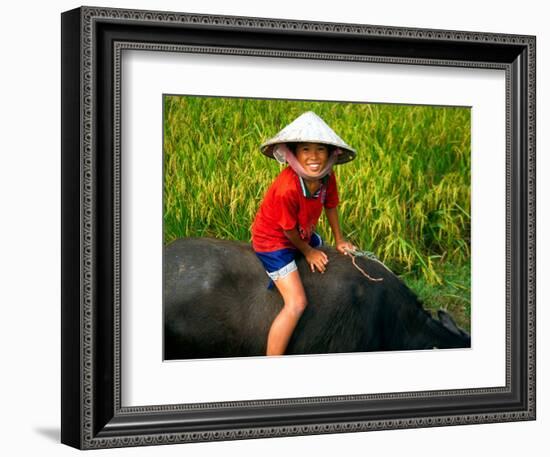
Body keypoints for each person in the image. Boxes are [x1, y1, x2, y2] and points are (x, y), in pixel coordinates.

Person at [251, 111, 357, 356]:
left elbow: (330, 205)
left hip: (302, 232)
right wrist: (308, 252)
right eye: (306, 149)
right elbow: (287, 230)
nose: (313, 157)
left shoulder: (326, 178)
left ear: (331, 154)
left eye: (320, 149)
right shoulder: (286, 188)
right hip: (275, 241)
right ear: (294, 153)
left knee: (325, 248)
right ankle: (271, 363)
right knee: (296, 303)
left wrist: (340, 240)